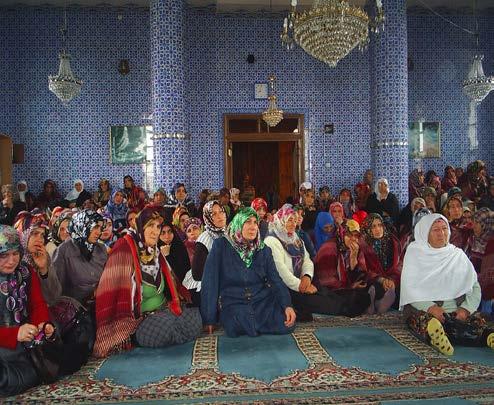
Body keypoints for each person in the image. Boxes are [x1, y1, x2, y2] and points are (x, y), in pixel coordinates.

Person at [93, 205, 202, 358]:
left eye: (158, 226)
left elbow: (172, 284)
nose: (155, 231)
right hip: (140, 319)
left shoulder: (154, 250)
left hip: (164, 309)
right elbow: (112, 289)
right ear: (140, 226)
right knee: (163, 329)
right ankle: (168, 332)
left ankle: (174, 331)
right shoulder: (124, 248)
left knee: (195, 319)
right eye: (150, 225)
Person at [400, 213, 494, 355]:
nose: (441, 233)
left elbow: (474, 287)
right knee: (419, 320)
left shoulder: (457, 255)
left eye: (444, 228)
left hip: (457, 310)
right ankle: (438, 332)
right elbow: (410, 289)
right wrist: (431, 308)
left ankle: (487, 336)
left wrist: (465, 309)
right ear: (425, 233)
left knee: (477, 320)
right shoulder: (415, 253)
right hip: (426, 309)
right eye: (436, 230)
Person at [201, 208, 296, 337]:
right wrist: (209, 318)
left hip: (260, 300)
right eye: (247, 222)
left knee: (285, 324)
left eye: (255, 222)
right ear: (239, 224)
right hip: (234, 301)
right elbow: (210, 282)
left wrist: (287, 305)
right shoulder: (221, 246)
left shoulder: (263, 250)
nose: (253, 227)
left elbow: (275, 280)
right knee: (235, 325)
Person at [265, 206, 369, 320]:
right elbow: (281, 271)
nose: (293, 224)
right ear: (281, 219)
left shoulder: (294, 238)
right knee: (328, 304)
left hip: (302, 283)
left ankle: (353, 302)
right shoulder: (271, 241)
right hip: (284, 288)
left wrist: (307, 276)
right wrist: (301, 286)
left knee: (328, 295)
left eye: (295, 221)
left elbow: (307, 260)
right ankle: (347, 307)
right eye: (290, 220)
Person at [0, 225, 56, 396]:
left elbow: (37, 304)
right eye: (3, 255)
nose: (11, 261)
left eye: (15, 254)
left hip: (24, 343)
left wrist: (41, 324)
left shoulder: (25, 271)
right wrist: (14, 334)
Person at [314, 220, 388, 315]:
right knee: (356, 299)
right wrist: (351, 287)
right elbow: (327, 281)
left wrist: (353, 259)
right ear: (342, 233)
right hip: (327, 291)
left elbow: (362, 274)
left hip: (347, 287)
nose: (353, 239)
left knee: (375, 287)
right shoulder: (329, 248)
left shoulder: (353, 248)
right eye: (349, 235)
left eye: (356, 236)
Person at [53, 210, 107, 307]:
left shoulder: (100, 249)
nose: (99, 232)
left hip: (101, 303)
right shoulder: (63, 251)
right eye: (95, 227)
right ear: (82, 225)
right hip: (75, 309)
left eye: (100, 228)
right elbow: (57, 289)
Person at [189, 201, 227, 306]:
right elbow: (197, 274)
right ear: (207, 218)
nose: (219, 216)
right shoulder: (205, 239)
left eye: (221, 211)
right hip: (208, 288)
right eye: (214, 214)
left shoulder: (227, 233)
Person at [361, 213, 401, 310]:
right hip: (372, 280)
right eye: (373, 226)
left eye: (380, 225)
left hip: (392, 279)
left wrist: (392, 280)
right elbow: (362, 269)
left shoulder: (393, 242)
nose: (378, 229)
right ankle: (371, 303)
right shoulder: (363, 244)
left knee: (396, 290)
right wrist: (381, 279)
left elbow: (399, 265)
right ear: (367, 229)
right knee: (373, 287)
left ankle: (379, 305)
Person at [470, 209, 494, 315]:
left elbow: (488, 274)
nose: (473, 226)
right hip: (473, 290)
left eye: (477, 223)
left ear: (485, 224)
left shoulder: (491, 244)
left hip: (487, 295)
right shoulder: (474, 240)